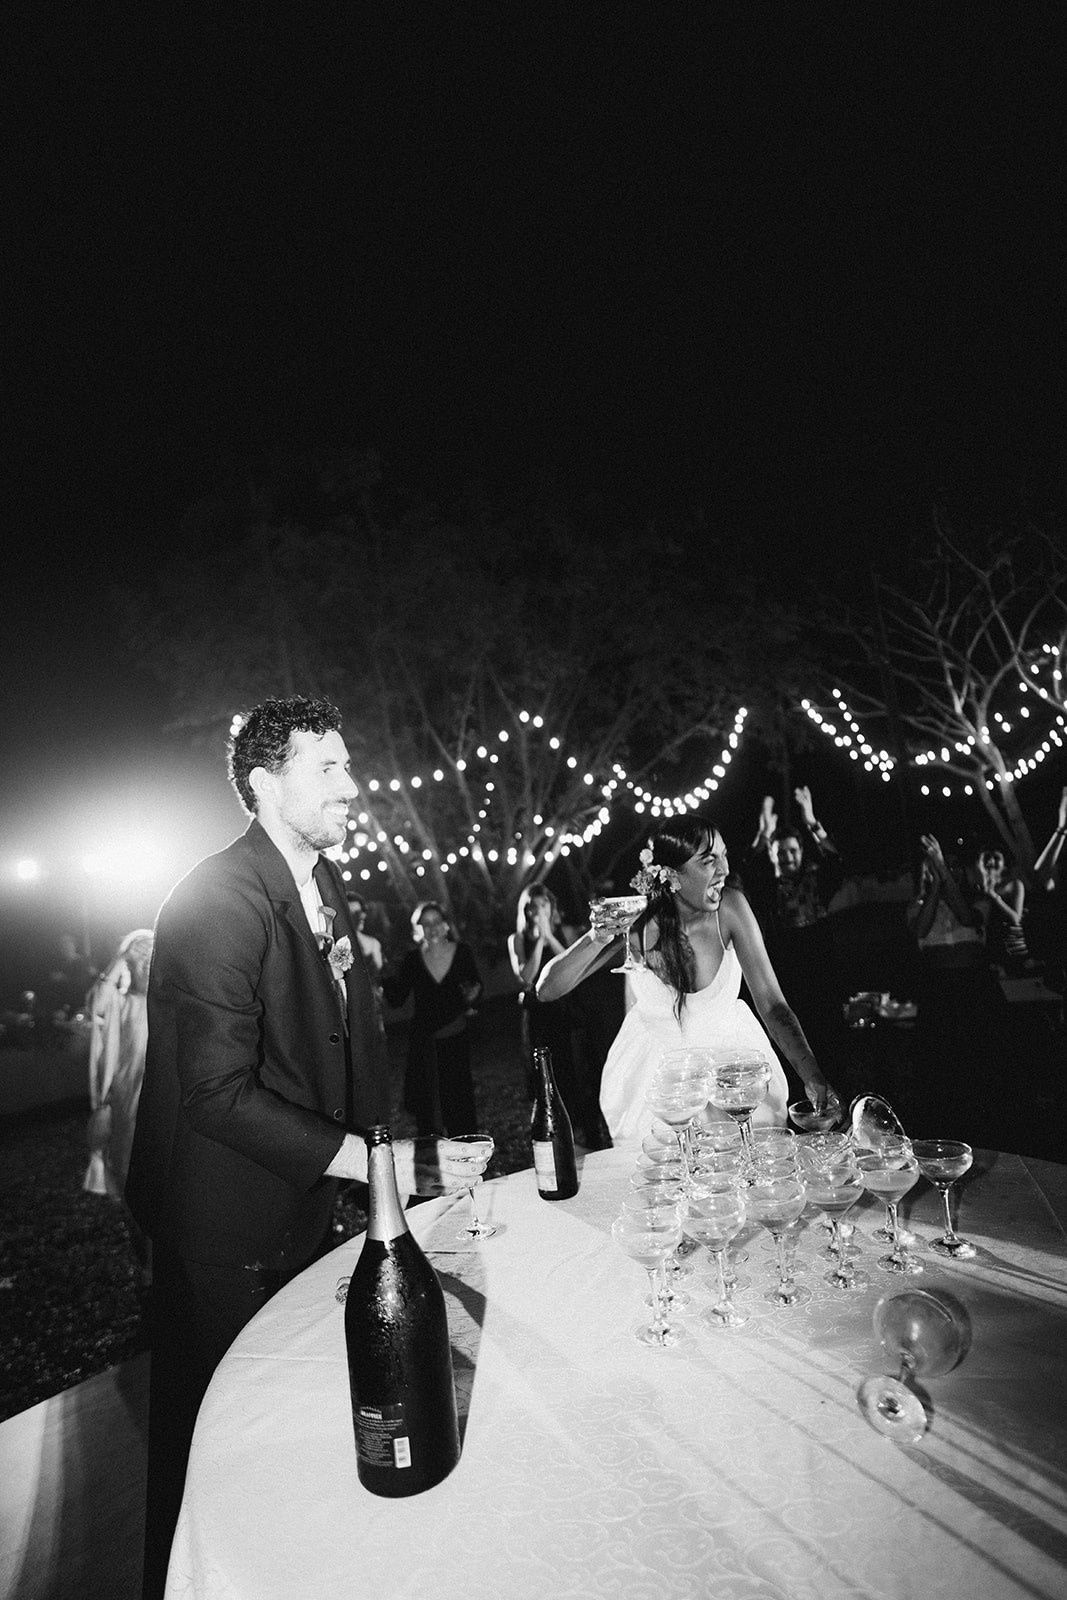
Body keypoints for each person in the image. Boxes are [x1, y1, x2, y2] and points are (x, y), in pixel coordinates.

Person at [124, 695, 487, 1600]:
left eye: (347, 764)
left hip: (307, 1209)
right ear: (263, 784)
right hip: (222, 1228)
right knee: (210, 1448)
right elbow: (212, 1091)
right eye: (329, 768)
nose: (353, 786)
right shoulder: (215, 899)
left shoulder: (325, 889)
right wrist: (363, 1163)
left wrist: (379, 1152)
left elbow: (343, 1041)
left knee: (299, 1427)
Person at [536, 816, 838, 1139]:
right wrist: (597, 936)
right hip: (659, 1089)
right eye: (709, 861)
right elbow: (547, 989)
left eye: (724, 856)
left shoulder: (731, 909)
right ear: (671, 874)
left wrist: (812, 1075)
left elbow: (773, 1006)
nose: (724, 870)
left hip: (731, 1078)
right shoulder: (637, 927)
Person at [507, 884, 612, 1148]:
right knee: (547, 1075)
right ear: (526, 910)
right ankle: (556, 1138)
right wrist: (539, 941)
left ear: (551, 908)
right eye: (533, 906)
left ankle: (592, 1135)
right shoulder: (517, 940)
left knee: (580, 1073)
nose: (538, 911)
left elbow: (569, 962)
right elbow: (527, 976)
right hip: (539, 1017)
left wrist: (550, 937)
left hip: (568, 1013)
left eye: (543, 905)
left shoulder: (565, 932)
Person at [82, 928, 154, 1287]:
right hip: (126, 1107)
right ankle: (146, 1262)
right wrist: (120, 958)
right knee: (129, 1181)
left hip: (158, 1107)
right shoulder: (122, 1005)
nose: (144, 966)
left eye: (149, 959)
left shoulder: (164, 1002)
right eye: (139, 960)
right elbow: (97, 1004)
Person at [382, 901, 483, 1137]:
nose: (432, 927)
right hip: (425, 1047)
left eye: (437, 921)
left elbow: (476, 988)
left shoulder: (463, 952)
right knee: (429, 1116)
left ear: (446, 925)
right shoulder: (412, 960)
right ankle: (435, 1168)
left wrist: (474, 994)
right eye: (425, 923)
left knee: (461, 1110)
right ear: (418, 929)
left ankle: (466, 1163)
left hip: (455, 1041)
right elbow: (397, 998)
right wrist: (380, 977)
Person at [345, 891, 384, 977]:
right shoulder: (338, 943)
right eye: (355, 913)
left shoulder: (373, 943)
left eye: (361, 911)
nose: (362, 916)